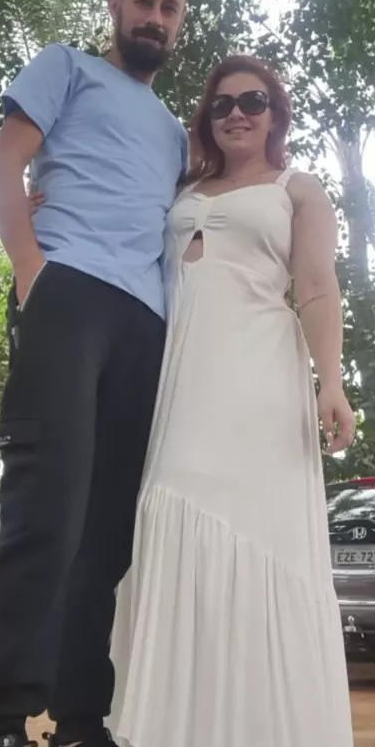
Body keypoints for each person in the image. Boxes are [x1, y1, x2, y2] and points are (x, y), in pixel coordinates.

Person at [0, 0, 189, 747]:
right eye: (144, 1)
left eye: (169, 8)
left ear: (179, 25)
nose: (154, 17)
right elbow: (4, 164)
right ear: (116, 6)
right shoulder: (65, 67)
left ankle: (81, 718)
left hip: (147, 324)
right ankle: (4, 717)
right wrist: (33, 274)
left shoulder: (176, 134)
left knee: (107, 531)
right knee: (46, 509)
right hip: (67, 294)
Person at [104, 56, 356, 747]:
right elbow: (118, 222)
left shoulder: (297, 188)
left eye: (252, 101)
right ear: (206, 120)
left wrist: (331, 382)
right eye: (221, 105)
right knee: (168, 507)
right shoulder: (181, 186)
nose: (236, 113)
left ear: (275, 115)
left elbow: (316, 287)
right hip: (181, 378)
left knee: (255, 535)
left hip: (260, 378)